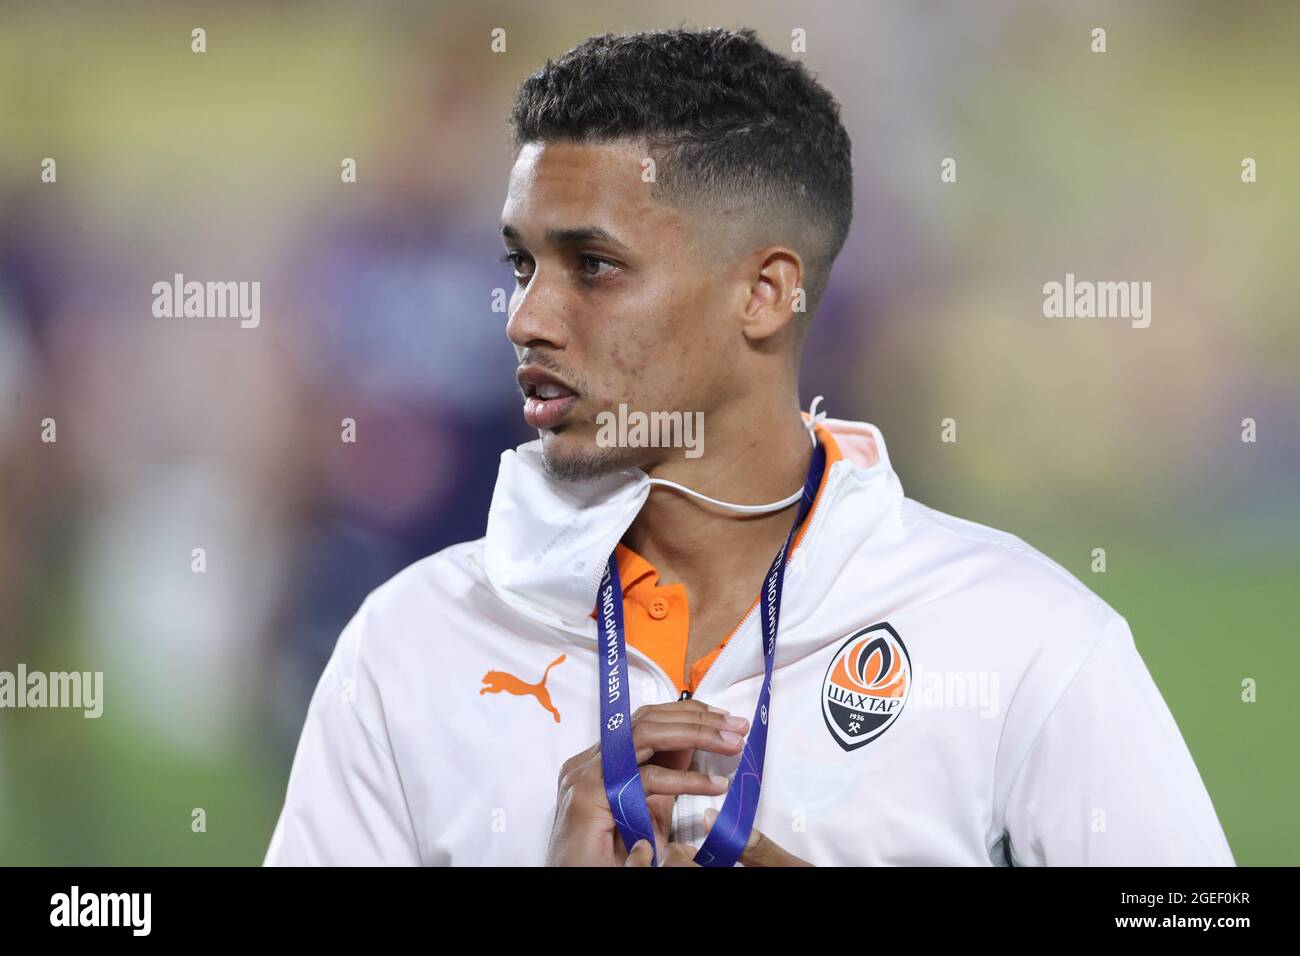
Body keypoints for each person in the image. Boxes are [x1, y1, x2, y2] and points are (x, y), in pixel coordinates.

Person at [264, 26, 1234, 867]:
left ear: (764, 293)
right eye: (522, 263)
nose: (525, 317)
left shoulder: (1025, 638)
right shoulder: (406, 646)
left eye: (593, 266)